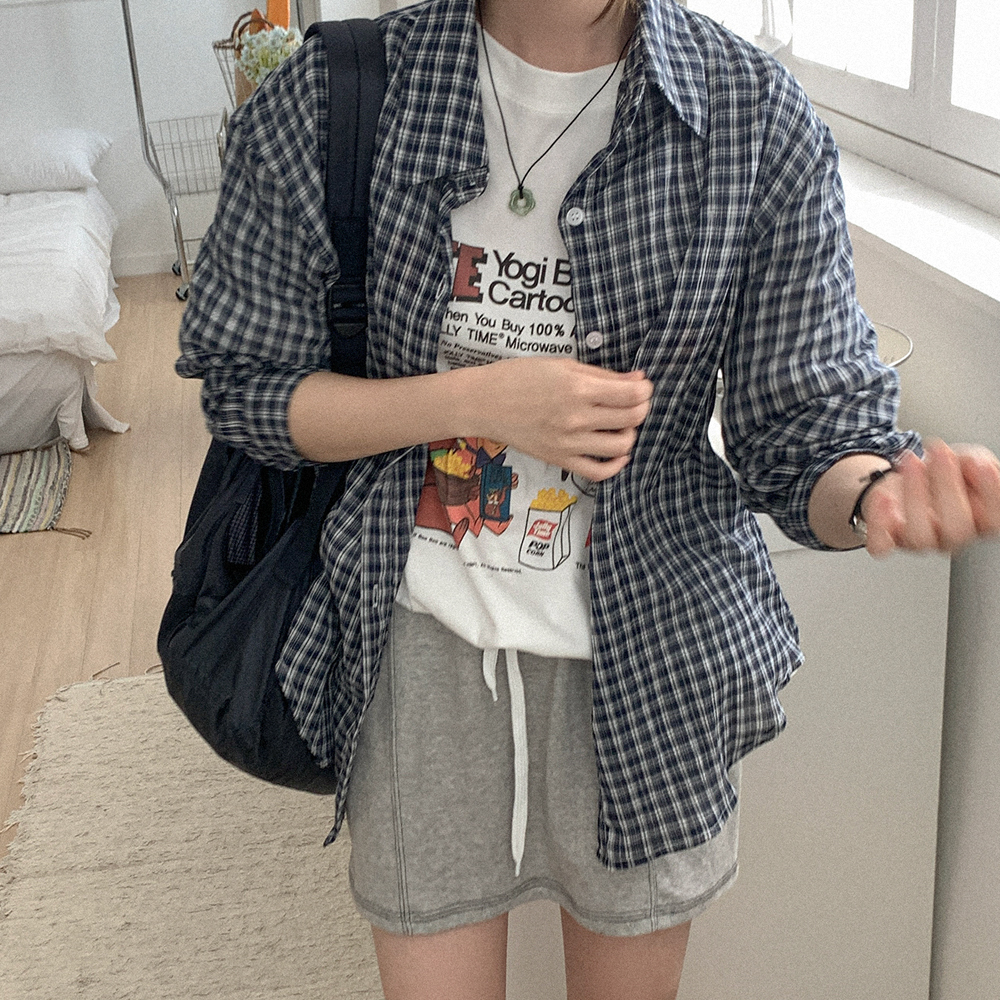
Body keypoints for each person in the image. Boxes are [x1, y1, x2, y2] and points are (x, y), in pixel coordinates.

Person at [177, 0, 1000, 996]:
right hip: (417, 639)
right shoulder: (335, 93)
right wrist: (477, 401)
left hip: (655, 656)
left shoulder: (750, 115)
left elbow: (806, 428)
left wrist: (876, 496)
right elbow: (249, 389)